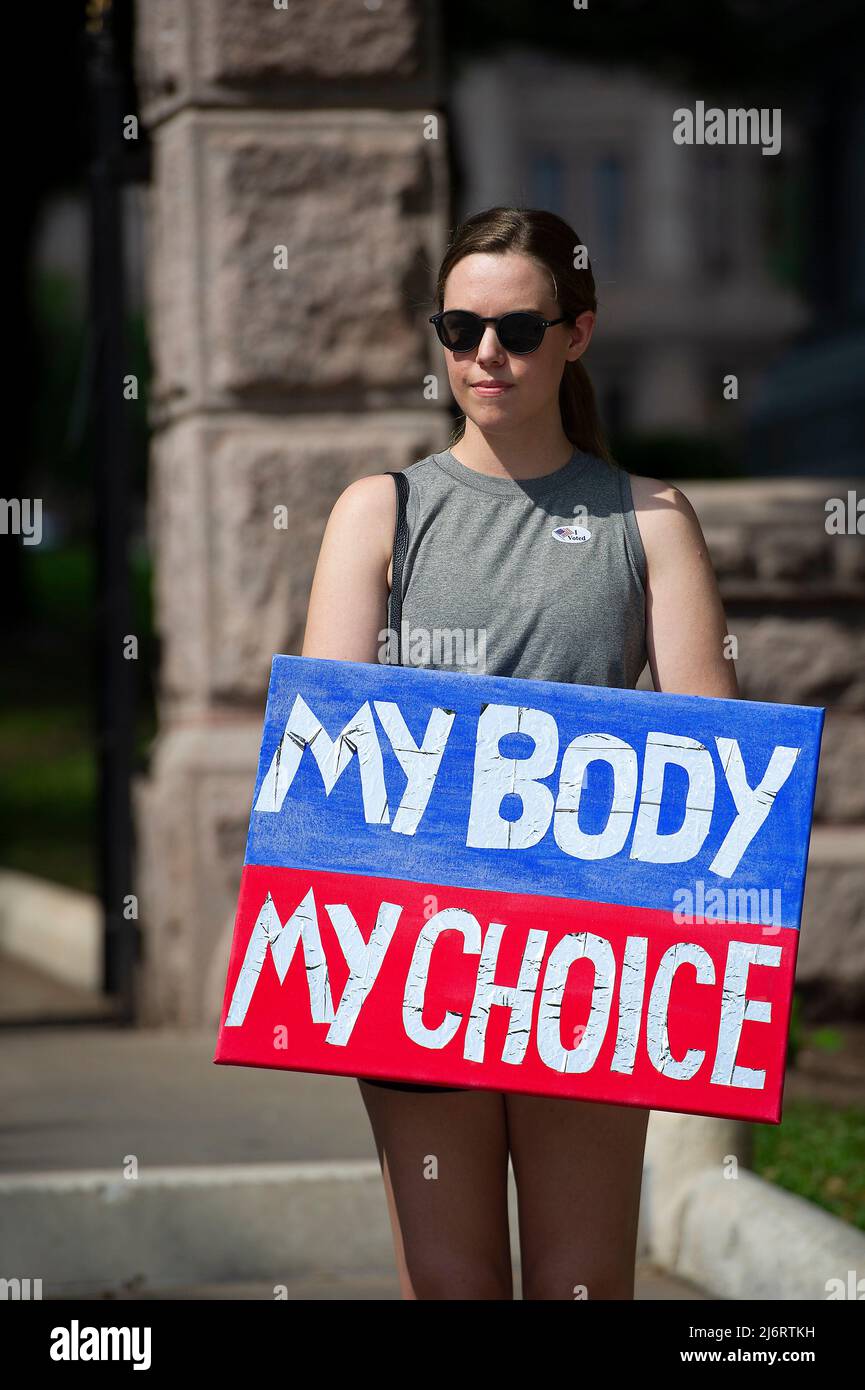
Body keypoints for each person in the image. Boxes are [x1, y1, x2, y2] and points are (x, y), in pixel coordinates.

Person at [300, 205, 739, 1300]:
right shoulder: (378, 512)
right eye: (458, 328)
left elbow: (714, 768)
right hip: (415, 955)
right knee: (450, 1286)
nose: (484, 354)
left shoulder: (652, 519)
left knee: (582, 1283)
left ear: (577, 333)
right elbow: (326, 764)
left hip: (590, 956)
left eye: (517, 329)